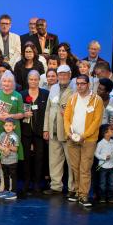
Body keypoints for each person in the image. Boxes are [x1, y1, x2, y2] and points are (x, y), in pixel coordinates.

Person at [64, 74, 104, 207]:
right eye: (78, 83)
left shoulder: (96, 100)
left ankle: (84, 195)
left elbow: (96, 121)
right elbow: (66, 118)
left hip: (88, 140)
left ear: (88, 84)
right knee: (75, 167)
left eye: (82, 83)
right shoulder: (72, 98)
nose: (79, 86)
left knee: (85, 168)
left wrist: (84, 135)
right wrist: (68, 133)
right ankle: (76, 191)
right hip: (73, 138)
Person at [0, 71, 25, 194]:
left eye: (9, 81)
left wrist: (9, 116)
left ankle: (11, 184)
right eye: (4, 81)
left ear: (13, 83)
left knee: (11, 156)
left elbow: (22, 114)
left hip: (13, 129)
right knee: (0, 157)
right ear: (1, 82)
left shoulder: (18, 96)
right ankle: (3, 183)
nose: (6, 83)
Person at [42, 65, 75, 196]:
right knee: (54, 160)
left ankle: (72, 188)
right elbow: (48, 109)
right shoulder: (54, 87)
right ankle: (56, 186)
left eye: (65, 74)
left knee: (71, 162)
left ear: (70, 74)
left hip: (68, 132)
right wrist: (46, 129)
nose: (62, 76)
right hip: (53, 130)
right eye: (60, 74)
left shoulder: (75, 89)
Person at [19, 70, 49, 196]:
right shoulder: (22, 94)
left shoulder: (45, 94)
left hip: (40, 132)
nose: (33, 81)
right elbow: (19, 111)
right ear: (27, 80)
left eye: (35, 79)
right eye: (30, 79)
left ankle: (37, 183)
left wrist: (46, 129)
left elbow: (48, 113)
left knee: (39, 158)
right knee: (26, 158)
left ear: (39, 80)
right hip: (25, 131)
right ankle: (26, 183)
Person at [0, 119, 19, 200]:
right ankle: (6, 190)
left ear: (14, 127)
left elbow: (15, 149)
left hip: (12, 160)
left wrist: (9, 147)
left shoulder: (14, 136)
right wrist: (4, 148)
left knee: (13, 176)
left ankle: (13, 192)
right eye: (6, 125)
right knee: (5, 175)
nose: (8, 127)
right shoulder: (2, 134)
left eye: (10, 125)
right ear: (3, 126)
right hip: (4, 160)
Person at [94, 124, 113, 204]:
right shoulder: (100, 143)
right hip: (103, 167)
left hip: (112, 165)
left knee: (112, 183)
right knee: (102, 183)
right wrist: (104, 157)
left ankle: (110, 197)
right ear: (105, 133)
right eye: (111, 130)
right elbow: (96, 154)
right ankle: (102, 197)